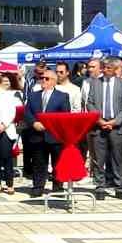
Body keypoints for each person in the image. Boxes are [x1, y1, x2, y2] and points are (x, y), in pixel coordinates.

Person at [21, 65, 70, 197]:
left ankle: (58, 186)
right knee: (38, 162)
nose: (43, 80)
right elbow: (27, 113)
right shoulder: (33, 96)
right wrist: (34, 123)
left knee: (57, 163)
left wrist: (48, 125)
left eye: (47, 78)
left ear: (54, 81)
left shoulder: (62, 96)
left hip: (54, 135)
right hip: (37, 135)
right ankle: (38, 187)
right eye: (42, 78)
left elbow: (64, 115)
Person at [87, 57, 122, 200]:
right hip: (99, 125)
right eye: (104, 67)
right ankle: (100, 187)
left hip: (117, 127)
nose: (105, 70)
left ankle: (119, 187)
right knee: (99, 159)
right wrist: (99, 120)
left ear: (114, 70)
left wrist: (115, 121)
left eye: (108, 68)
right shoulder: (95, 83)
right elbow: (90, 103)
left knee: (117, 158)